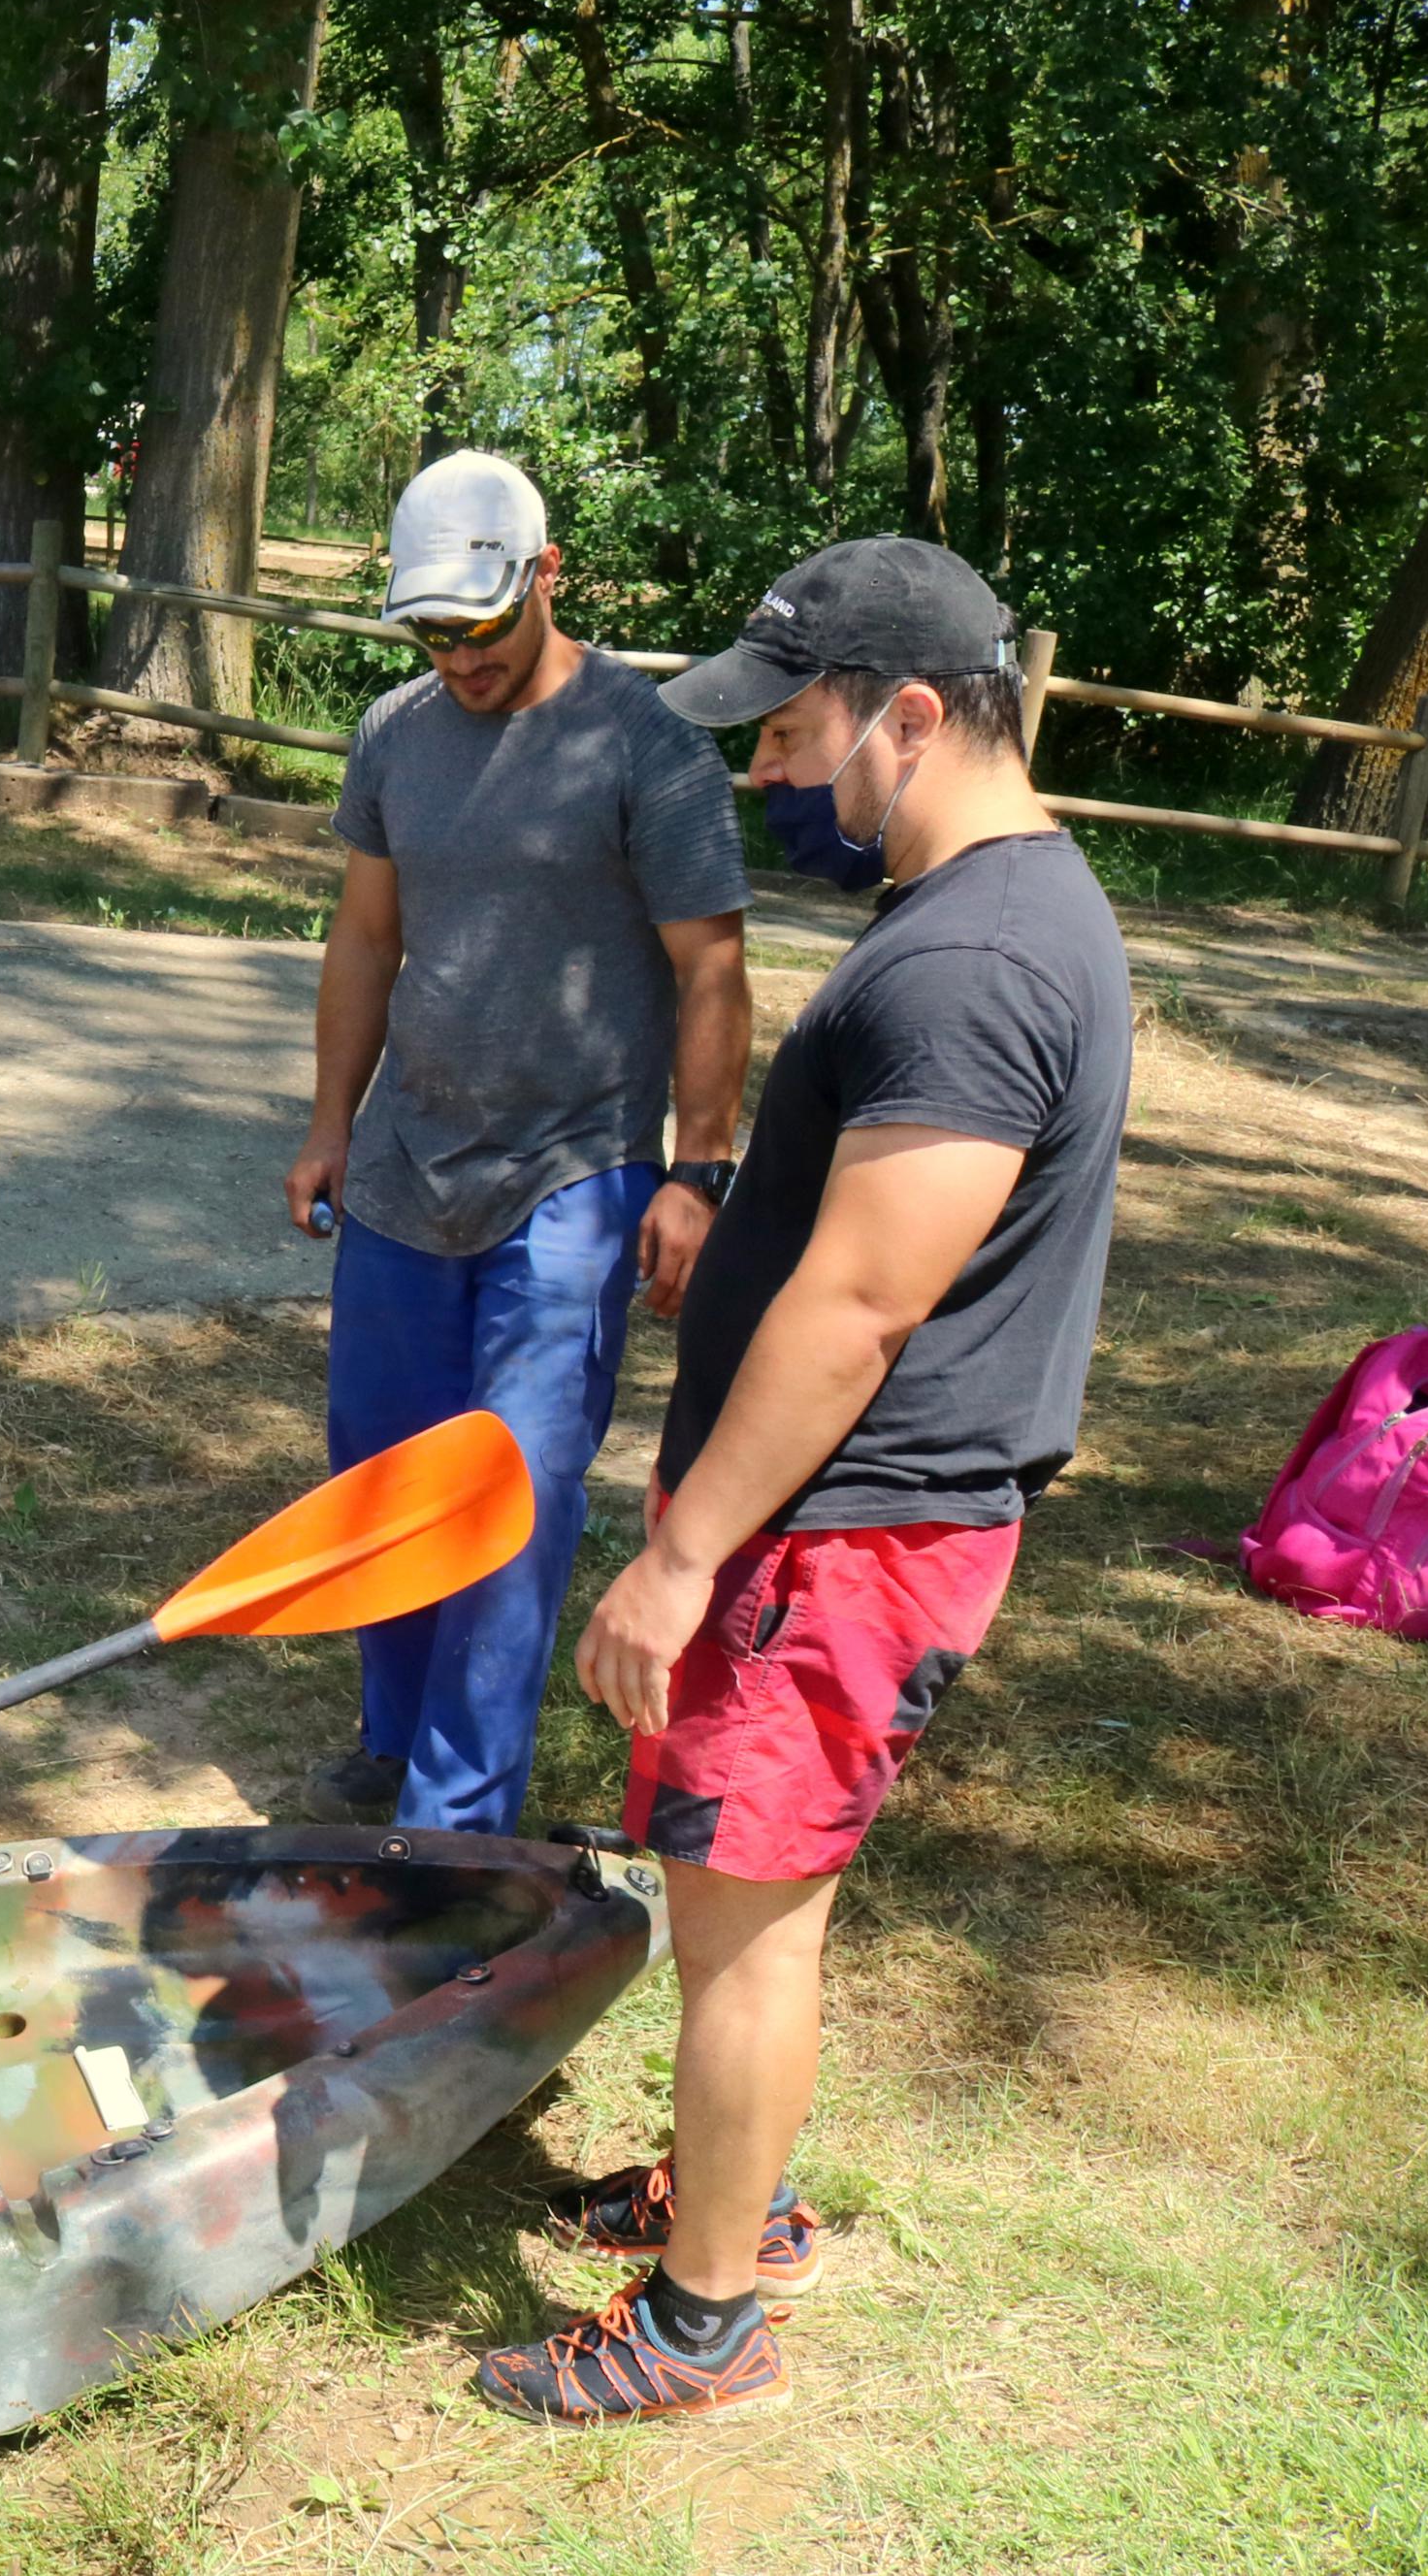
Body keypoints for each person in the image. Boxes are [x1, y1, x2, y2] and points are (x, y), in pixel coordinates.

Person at [472, 538, 1130, 2424]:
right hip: (829, 1522)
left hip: (838, 1535)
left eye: (788, 732)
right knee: (743, 1909)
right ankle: (723, 2198)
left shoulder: (984, 957)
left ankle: (700, 2320)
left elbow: (855, 1306)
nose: (759, 772)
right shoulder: (982, 913)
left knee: (742, 1914)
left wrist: (676, 1556)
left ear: (907, 718)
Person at [285, 450, 751, 1838]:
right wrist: (326, 1125)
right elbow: (365, 936)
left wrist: (695, 1168)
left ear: (545, 577)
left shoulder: (645, 745)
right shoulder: (391, 733)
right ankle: (393, 1736)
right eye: (430, 633)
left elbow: (711, 968)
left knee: (506, 1496)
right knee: (379, 1468)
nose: (456, 658)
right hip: (397, 1170)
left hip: (571, 1179)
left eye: (477, 629)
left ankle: (455, 1818)